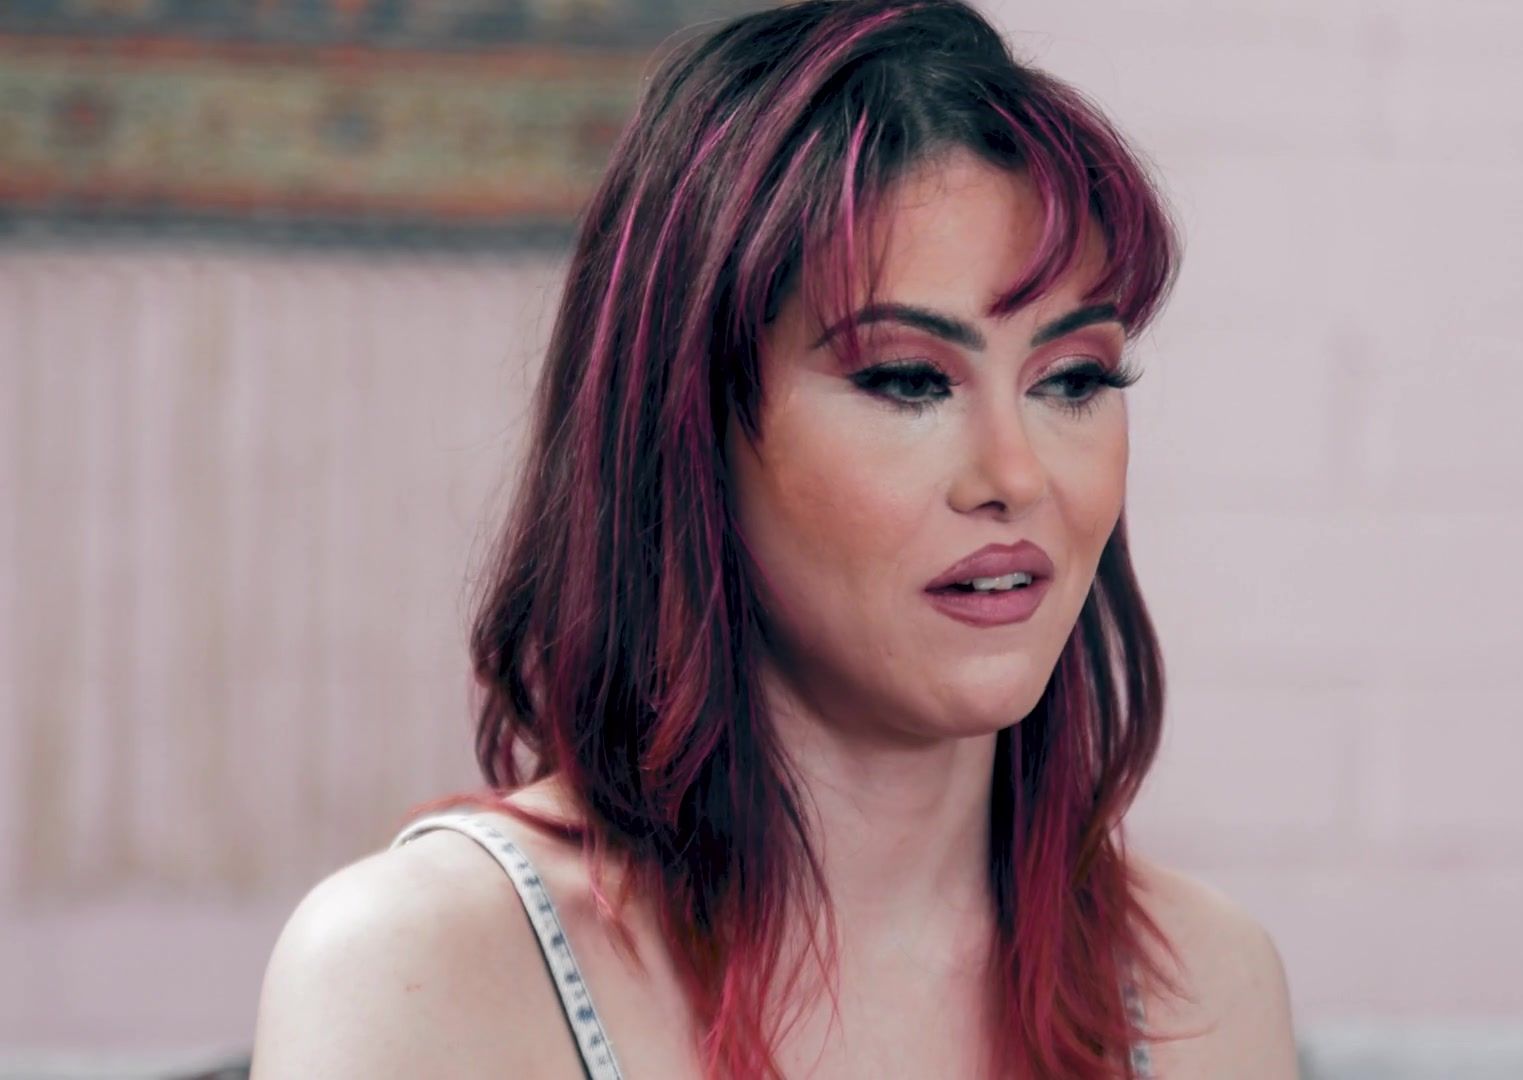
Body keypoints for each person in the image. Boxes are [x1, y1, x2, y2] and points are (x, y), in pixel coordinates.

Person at [251, 1, 1299, 1076]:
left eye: (1072, 380)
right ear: (688, 426)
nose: (1017, 477)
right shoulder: (424, 969)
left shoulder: (1206, 989)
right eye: (909, 380)